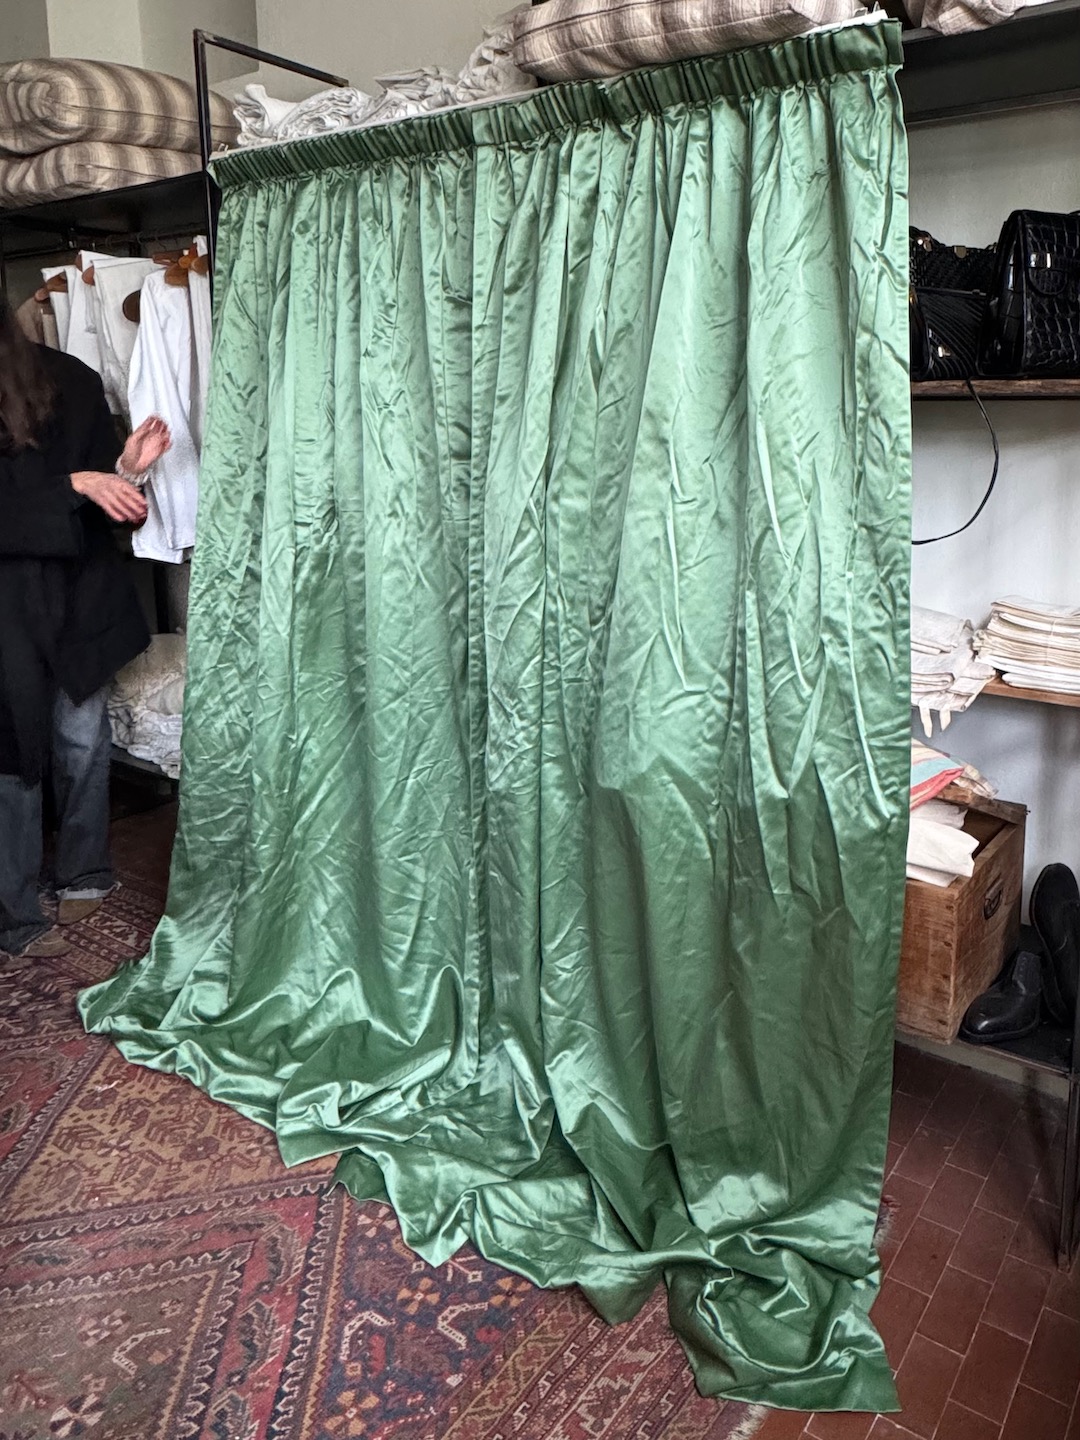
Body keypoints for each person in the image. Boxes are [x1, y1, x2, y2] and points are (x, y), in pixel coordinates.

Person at [0, 292, 171, 959]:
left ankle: (85, 870)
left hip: (78, 592)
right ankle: (14, 916)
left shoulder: (71, 378)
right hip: (8, 603)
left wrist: (126, 472)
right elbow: (65, 493)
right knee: (12, 756)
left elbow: (107, 500)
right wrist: (74, 485)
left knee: (80, 741)